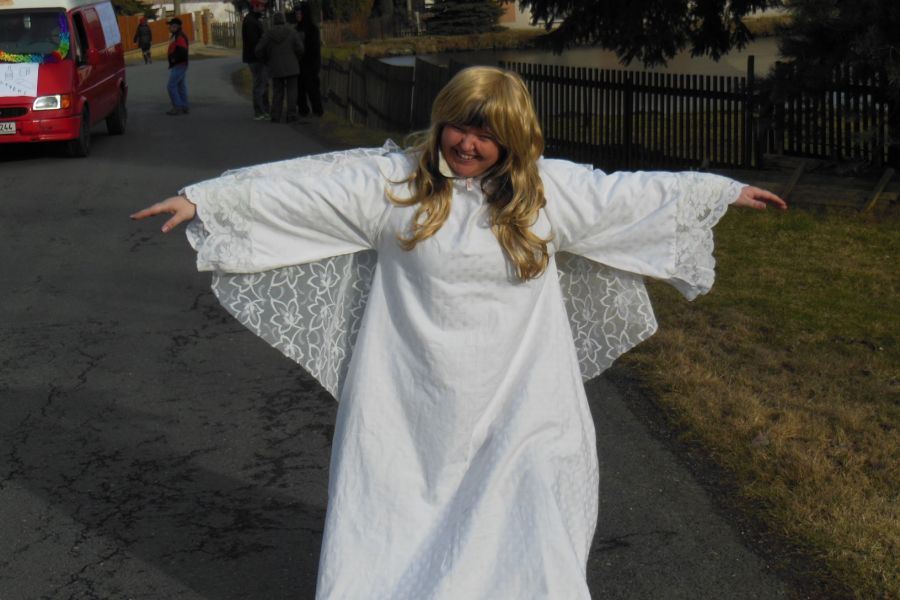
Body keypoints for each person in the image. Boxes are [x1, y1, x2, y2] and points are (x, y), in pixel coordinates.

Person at [131, 66, 786, 598]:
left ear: (513, 139)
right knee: (399, 520)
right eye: (458, 128)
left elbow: (628, 195)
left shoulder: (547, 194)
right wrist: (206, 199)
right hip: (407, 402)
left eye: (486, 134)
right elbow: (303, 189)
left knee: (530, 515)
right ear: (441, 122)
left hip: (526, 401)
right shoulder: (394, 187)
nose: (467, 145)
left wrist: (718, 191)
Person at [255, 12, 303, 123]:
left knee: (277, 91)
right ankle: (291, 115)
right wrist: (296, 59)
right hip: (292, 66)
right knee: (292, 91)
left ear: (274, 21)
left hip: (275, 66)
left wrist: (266, 60)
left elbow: (258, 50)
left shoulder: (268, 34)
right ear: (284, 20)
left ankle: (276, 115)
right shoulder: (292, 32)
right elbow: (300, 49)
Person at [241, 0, 270, 120]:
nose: (263, 8)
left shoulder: (253, 19)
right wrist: (263, 54)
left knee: (262, 83)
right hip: (256, 58)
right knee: (260, 84)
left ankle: (263, 110)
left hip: (255, 57)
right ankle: (260, 111)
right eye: (261, 6)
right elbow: (255, 43)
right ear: (255, 6)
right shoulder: (251, 21)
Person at [294, 2, 323, 117]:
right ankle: (303, 110)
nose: (297, 15)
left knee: (312, 88)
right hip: (298, 64)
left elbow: (314, 48)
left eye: (299, 13)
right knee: (300, 88)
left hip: (310, 64)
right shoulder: (296, 29)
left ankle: (317, 110)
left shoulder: (312, 29)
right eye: (296, 13)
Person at [165, 17, 189, 116]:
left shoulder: (180, 37)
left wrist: (174, 59)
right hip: (181, 65)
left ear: (176, 26)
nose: (169, 27)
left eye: (170, 25)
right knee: (180, 86)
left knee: (171, 86)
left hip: (179, 65)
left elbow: (183, 52)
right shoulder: (177, 35)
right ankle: (184, 106)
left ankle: (177, 106)